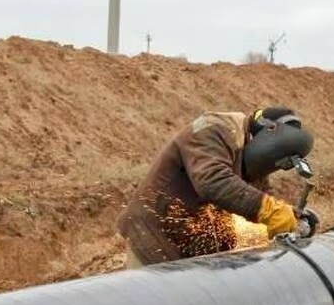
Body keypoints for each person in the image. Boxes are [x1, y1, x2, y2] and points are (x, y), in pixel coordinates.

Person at [117, 107, 314, 267]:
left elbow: (256, 196)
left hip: (196, 252)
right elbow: (212, 180)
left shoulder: (247, 153)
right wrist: (270, 210)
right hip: (155, 239)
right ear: (265, 134)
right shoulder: (213, 130)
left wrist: (293, 216)